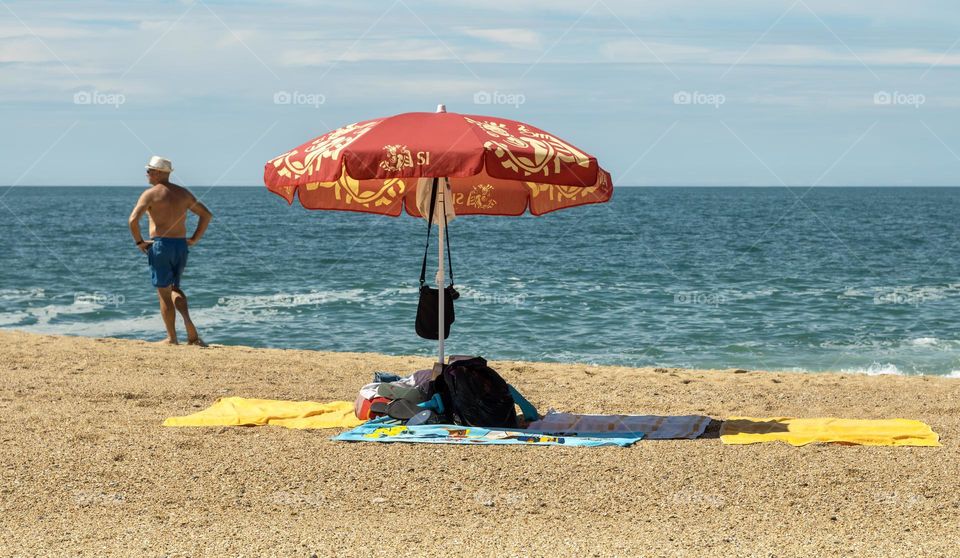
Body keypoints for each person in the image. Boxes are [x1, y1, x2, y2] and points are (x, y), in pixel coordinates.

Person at [128, 156, 213, 346]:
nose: (147, 174)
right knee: (175, 287)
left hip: (161, 246)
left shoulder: (150, 194)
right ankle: (190, 329)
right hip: (180, 246)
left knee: (164, 293)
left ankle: (171, 338)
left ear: (158, 173)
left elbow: (132, 221)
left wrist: (139, 242)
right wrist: (193, 239)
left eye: (149, 171)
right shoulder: (183, 194)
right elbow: (206, 215)